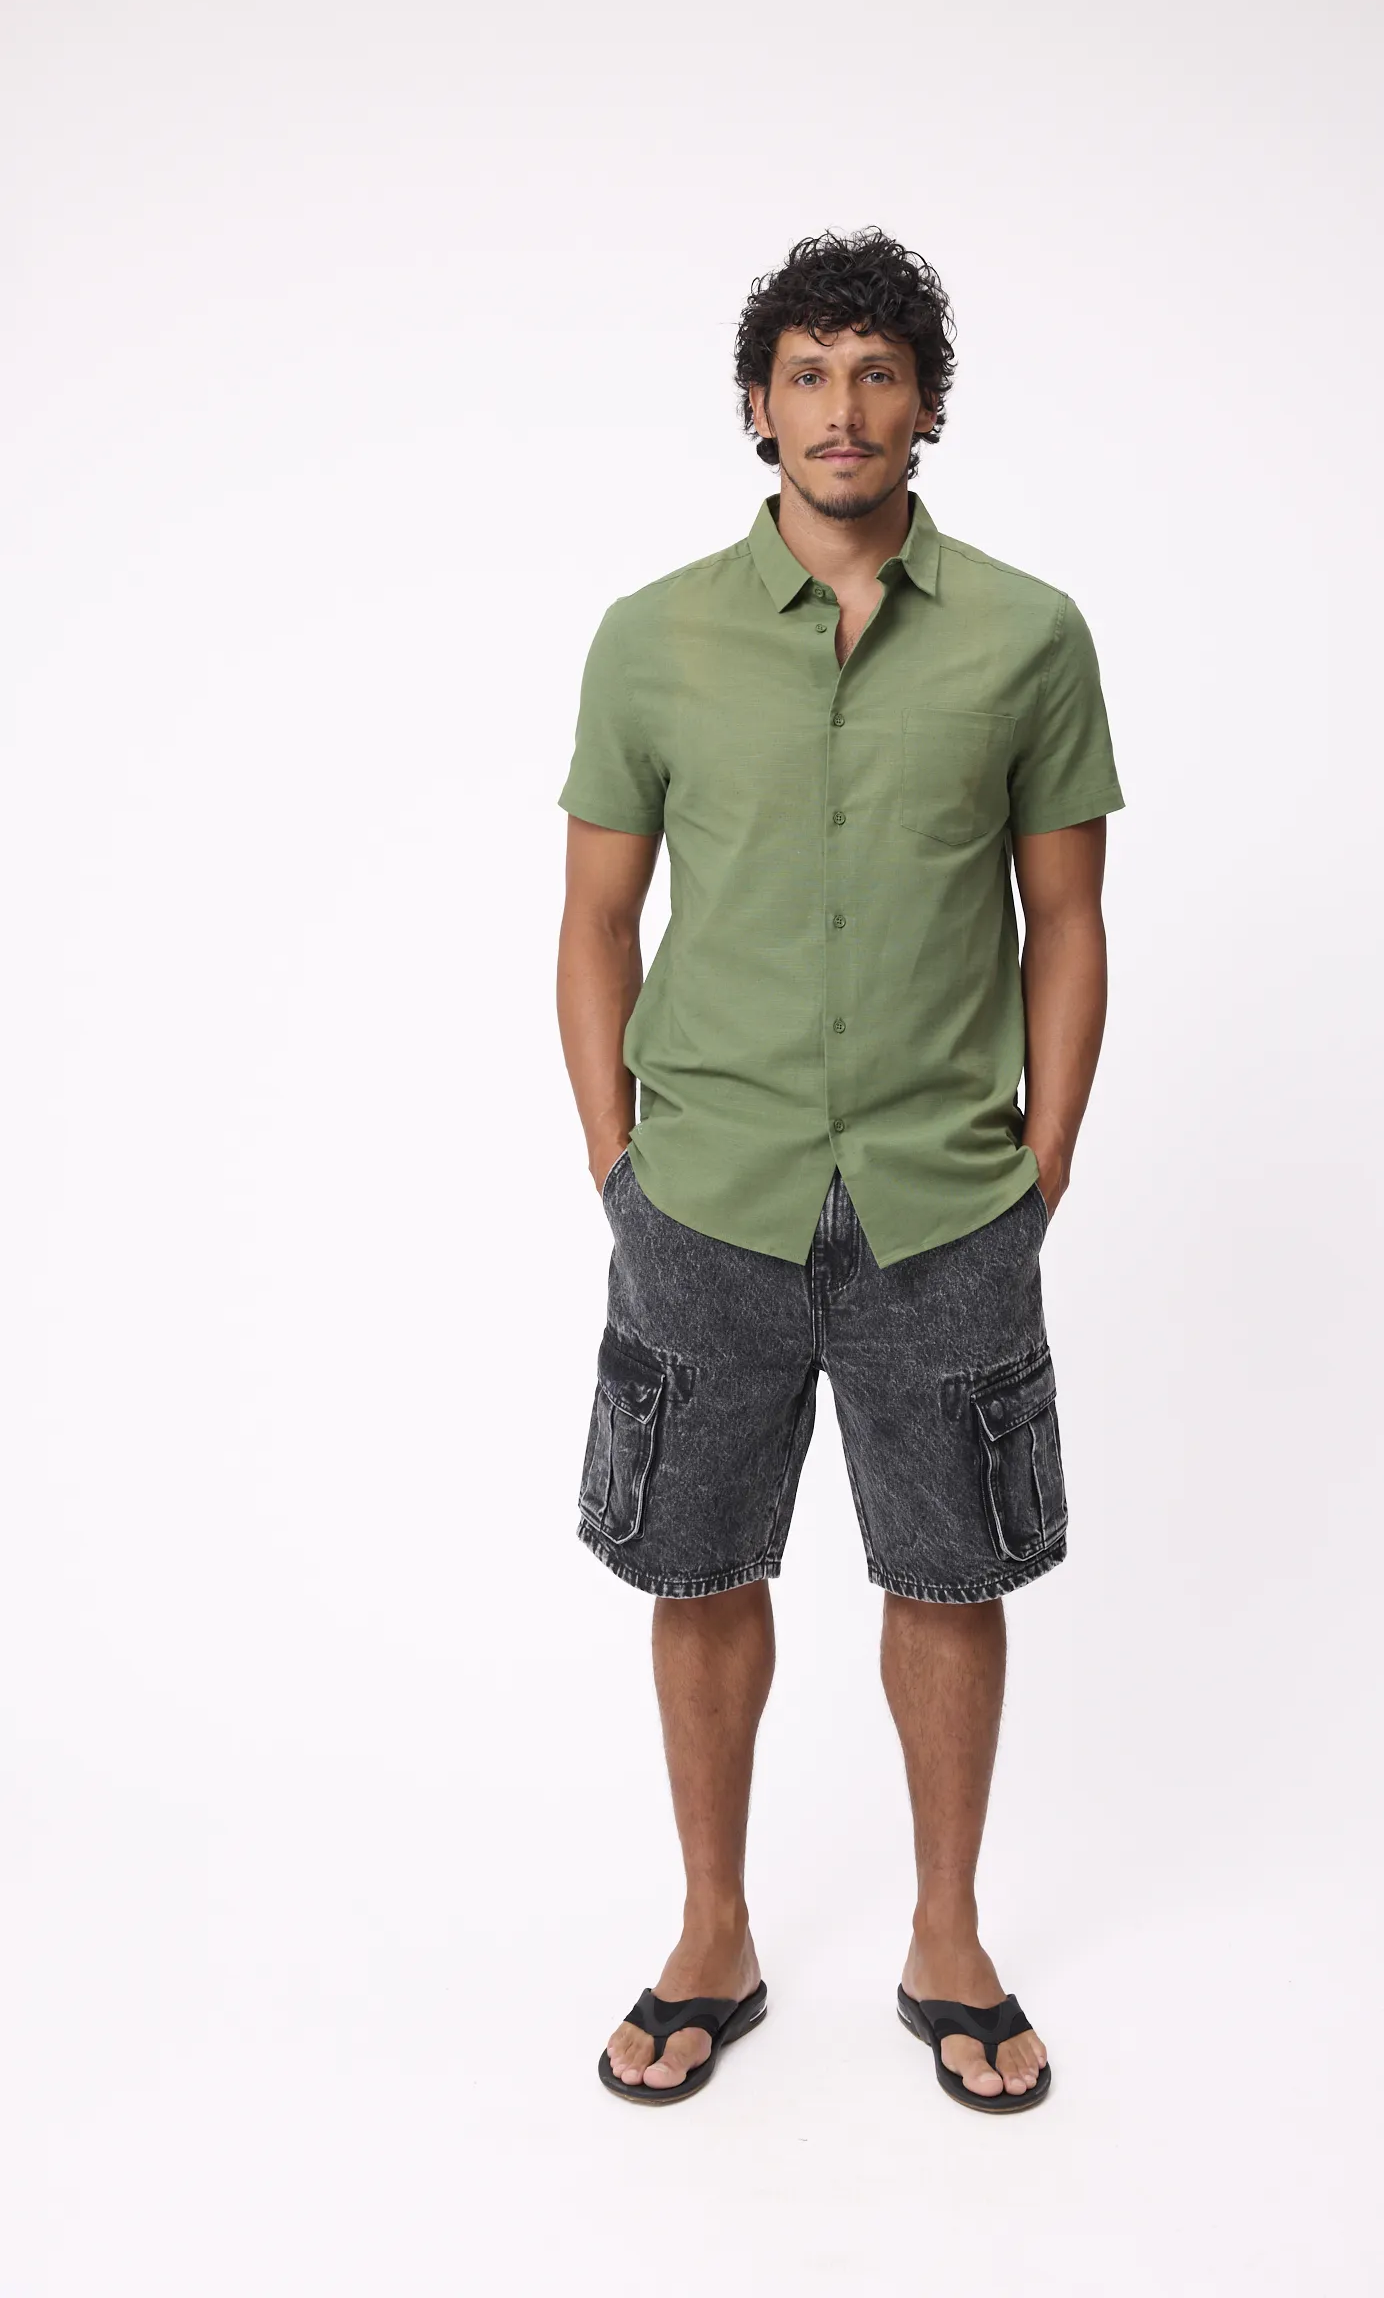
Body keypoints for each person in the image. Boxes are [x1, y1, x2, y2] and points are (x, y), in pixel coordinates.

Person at [554, 227, 1124, 2113]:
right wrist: (614, 1156)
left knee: (950, 1576)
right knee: (701, 1566)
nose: (843, 407)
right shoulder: (651, 639)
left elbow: (1067, 917)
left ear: (927, 407)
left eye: (878, 372)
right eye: (807, 371)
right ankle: (712, 1929)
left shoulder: (1030, 636)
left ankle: (947, 1934)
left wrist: (1042, 1159)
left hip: (945, 1202)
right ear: (757, 407)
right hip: (704, 1195)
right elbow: (596, 917)